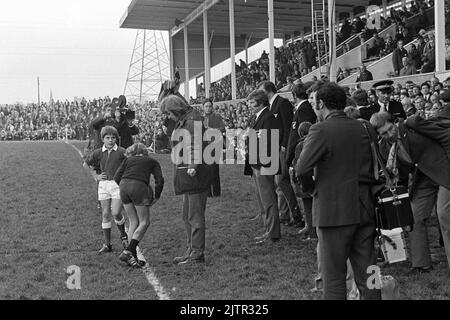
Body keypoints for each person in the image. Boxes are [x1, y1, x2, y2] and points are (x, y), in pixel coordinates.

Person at [296, 82, 381, 300]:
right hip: (364, 206)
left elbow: (302, 168)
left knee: (333, 277)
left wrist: (312, 189)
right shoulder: (363, 126)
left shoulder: (320, 129)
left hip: (333, 210)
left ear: (321, 103)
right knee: (370, 271)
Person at [370, 110, 450, 271]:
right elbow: (402, 173)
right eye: (383, 133)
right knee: (413, 217)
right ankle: (421, 264)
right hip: (422, 179)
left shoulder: (413, 124)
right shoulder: (384, 147)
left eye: (390, 129)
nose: (389, 134)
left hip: (444, 172)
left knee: (444, 215)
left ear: (394, 122)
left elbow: (447, 136)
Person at [159, 94, 212, 265]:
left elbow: (197, 145)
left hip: (194, 174)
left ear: (175, 109)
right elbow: (170, 134)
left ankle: (197, 253)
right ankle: (191, 249)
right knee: (187, 215)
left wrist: (193, 166)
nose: (167, 117)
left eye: (168, 114)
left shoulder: (192, 120)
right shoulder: (186, 118)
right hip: (187, 171)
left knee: (194, 215)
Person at [259, 81, 304, 227]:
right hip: (273, 147)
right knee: (278, 183)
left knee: (281, 181)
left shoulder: (282, 103)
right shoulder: (270, 105)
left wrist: (285, 146)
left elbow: (287, 126)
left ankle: (295, 214)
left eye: (261, 91)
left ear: (268, 90)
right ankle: (284, 215)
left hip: (281, 148)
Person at [114, 143, 165, 268]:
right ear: (145, 151)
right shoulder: (151, 161)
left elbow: (116, 177)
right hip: (138, 187)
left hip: (123, 186)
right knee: (144, 222)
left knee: (133, 222)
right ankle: (128, 251)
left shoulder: (128, 160)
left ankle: (133, 258)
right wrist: (157, 195)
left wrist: (124, 185)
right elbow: (159, 179)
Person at [244, 89, 281, 244]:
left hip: (264, 165)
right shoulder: (261, 117)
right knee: (264, 200)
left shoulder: (268, 118)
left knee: (268, 200)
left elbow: (269, 144)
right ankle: (269, 230)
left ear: (261, 102)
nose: (250, 105)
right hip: (258, 163)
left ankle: (272, 233)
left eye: (252, 102)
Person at [85, 126, 128, 254]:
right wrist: (95, 176)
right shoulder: (98, 152)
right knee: (105, 214)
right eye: (107, 138)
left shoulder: (121, 151)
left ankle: (123, 235)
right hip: (103, 185)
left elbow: (129, 163)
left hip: (116, 185)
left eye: (113, 138)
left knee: (115, 212)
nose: (110, 140)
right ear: (103, 139)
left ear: (116, 139)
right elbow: (86, 164)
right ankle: (107, 244)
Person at [293, 121, 317, 241]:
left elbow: (298, 165)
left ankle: (312, 233)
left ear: (301, 133)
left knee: (308, 208)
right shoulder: (314, 142)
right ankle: (312, 228)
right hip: (315, 179)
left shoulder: (300, 145)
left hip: (304, 181)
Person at [203, 99, 225, 197]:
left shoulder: (217, 116)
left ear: (212, 107)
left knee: (214, 170)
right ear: (203, 107)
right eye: (206, 106)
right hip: (204, 146)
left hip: (215, 145)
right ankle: (208, 192)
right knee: (206, 170)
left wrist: (212, 130)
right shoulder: (200, 118)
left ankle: (216, 192)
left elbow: (223, 128)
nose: (208, 108)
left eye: (209, 106)